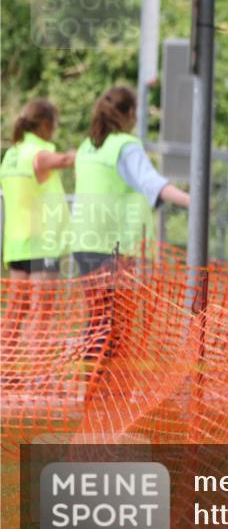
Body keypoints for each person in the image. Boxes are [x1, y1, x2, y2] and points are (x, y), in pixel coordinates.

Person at [68, 86, 190, 276]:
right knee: (117, 306)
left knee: (98, 306)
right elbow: (151, 182)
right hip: (116, 246)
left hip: (83, 242)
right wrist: (192, 201)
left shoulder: (87, 146)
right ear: (131, 112)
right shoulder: (126, 145)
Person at [0, 99, 75, 342]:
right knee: (41, 317)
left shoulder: (12, 154)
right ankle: (37, 380)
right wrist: (86, 153)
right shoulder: (38, 154)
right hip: (43, 244)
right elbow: (63, 161)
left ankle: (5, 375)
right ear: (44, 125)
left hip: (17, 243)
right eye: (55, 125)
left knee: (14, 315)